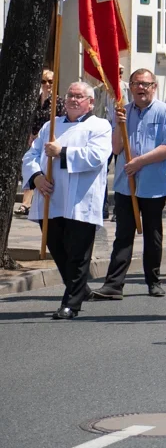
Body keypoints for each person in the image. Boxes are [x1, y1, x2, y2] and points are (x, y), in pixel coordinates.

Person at [22, 82, 111, 319]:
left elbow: (96, 157)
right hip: (50, 197)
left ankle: (71, 303)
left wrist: (62, 152)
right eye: (70, 95)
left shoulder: (100, 126)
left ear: (90, 102)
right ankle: (80, 288)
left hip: (79, 200)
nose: (73, 99)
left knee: (78, 252)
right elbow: (31, 154)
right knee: (58, 249)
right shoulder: (51, 125)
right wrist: (36, 177)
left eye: (79, 96)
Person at [91, 69, 166, 300]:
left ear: (154, 86)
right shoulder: (123, 112)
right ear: (130, 87)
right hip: (125, 184)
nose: (141, 88)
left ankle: (153, 281)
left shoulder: (165, 111)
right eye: (137, 84)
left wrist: (139, 162)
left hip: (153, 184)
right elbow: (117, 149)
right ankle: (114, 284)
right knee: (123, 234)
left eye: (146, 84)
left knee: (153, 234)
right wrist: (119, 126)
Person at [17, 69, 66, 217]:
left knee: (42, 170)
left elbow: (60, 123)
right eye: (43, 81)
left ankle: (30, 203)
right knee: (31, 168)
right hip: (32, 141)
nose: (47, 84)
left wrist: (40, 135)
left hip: (48, 142)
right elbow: (28, 120)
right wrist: (30, 135)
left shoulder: (59, 102)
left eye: (50, 81)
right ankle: (26, 203)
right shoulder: (35, 101)